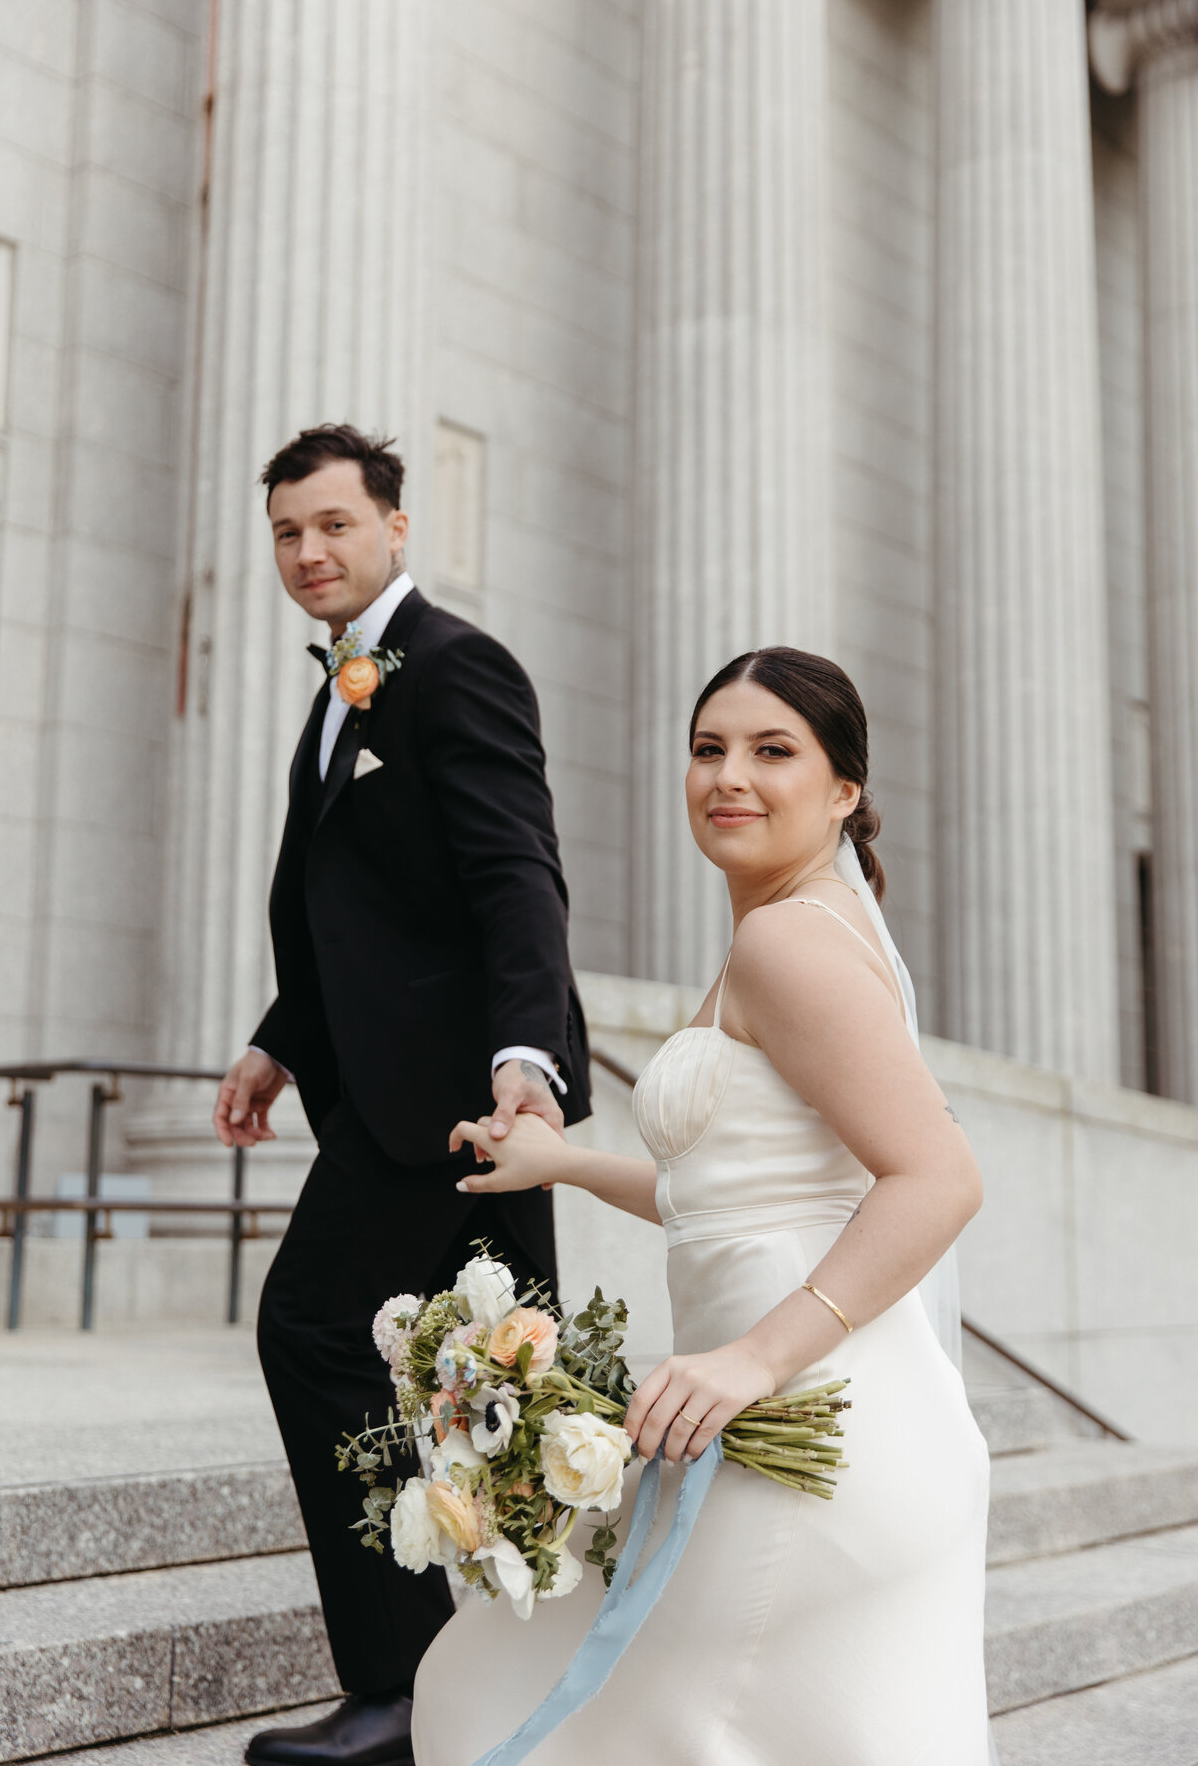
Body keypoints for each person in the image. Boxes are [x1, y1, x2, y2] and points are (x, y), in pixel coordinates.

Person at [414, 647, 992, 1765]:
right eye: (707, 749)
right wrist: (566, 1164)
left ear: (844, 791)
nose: (729, 775)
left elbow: (941, 1177)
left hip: (812, 1440)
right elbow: (733, 1200)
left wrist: (752, 1363)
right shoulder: (786, 929)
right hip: (784, 1432)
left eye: (773, 750)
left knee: (505, 1693)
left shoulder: (787, 941)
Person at [210, 424, 590, 1766]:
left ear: (395, 527)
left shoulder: (456, 665)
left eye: (333, 525)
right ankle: (524, 1681)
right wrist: (275, 1041)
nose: (309, 552)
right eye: (286, 533)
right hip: (395, 1084)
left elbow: (514, 879)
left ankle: (397, 1690)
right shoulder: (346, 686)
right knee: (501, 1391)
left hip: (454, 1099)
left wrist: (523, 1065)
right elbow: (359, 912)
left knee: (316, 1330)